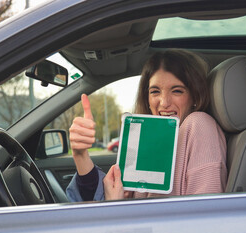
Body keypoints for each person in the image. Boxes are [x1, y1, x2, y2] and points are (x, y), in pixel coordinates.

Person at [66, 49, 227, 202]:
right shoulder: (150, 139)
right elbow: (109, 195)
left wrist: (116, 208)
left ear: (195, 96)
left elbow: (205, 216)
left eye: (177, 91)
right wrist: (80, 155)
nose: (164, 103)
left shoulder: (199, 125)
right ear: (147, 99)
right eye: (155, 92)